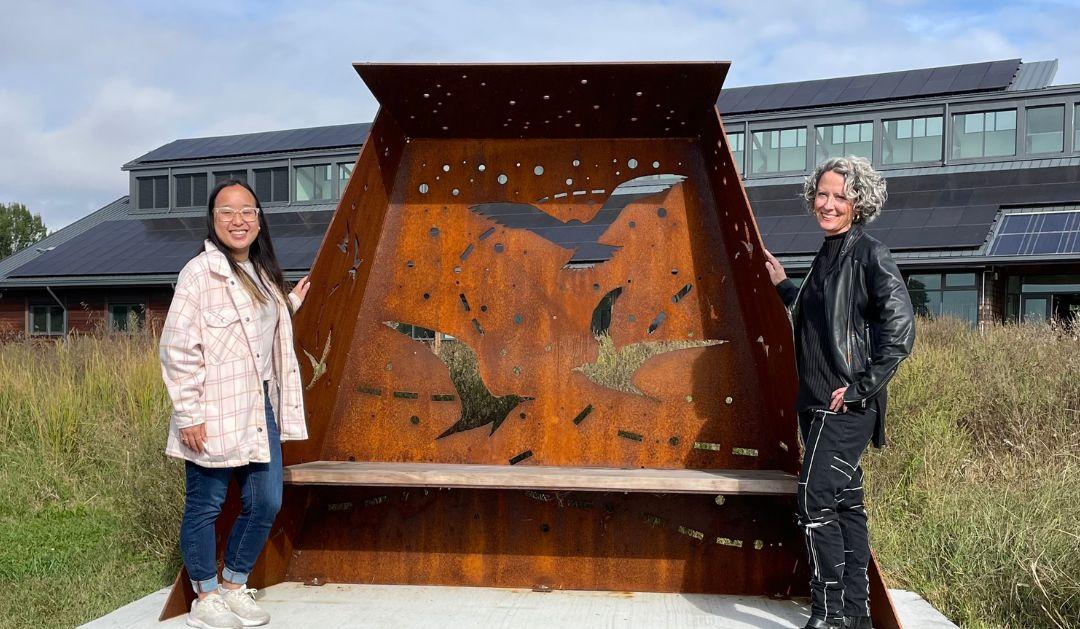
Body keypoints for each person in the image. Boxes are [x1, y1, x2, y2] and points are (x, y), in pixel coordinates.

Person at [762, 157, 914, 629]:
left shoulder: (870, 254)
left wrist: (859, 388)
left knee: (814, 501)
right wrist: (785, 285)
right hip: (814, 402)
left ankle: (829, 614)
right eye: (822, 194)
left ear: (858, 204)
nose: (827, 204)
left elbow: (901, 332)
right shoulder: (827, 254)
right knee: (845, 505)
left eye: (840, 196)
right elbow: (821, 317)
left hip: (845, 405)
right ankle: (856, 613)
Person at [160, 179, 312, 629]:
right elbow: (177, 348)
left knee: (266, 500)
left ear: (259, 220)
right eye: (227, 211)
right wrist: (189, 415)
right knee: (205, 504)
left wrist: (291, 302)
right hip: (211, 408)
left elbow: (255, 326)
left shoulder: (262, 273)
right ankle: (205, 597)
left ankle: (233, 584)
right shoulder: (199, 274)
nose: (238, 220)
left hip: (259, 405)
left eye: (247, 211)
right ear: (213, 220)